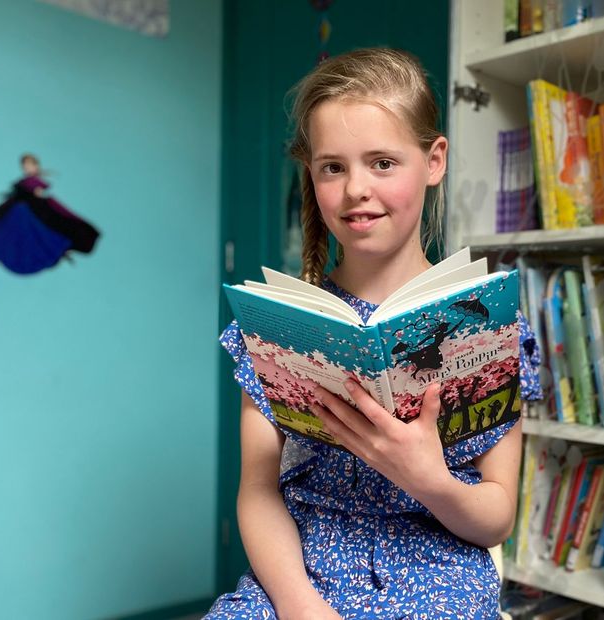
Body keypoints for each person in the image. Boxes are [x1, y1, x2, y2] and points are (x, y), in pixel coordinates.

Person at [207, 48, 541, 620]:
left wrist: (428, 479)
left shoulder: (488, 322)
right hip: (302, 575)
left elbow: (497, 515)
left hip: (441, 580)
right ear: (311, 174)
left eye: (383, 162)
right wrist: (299, 606)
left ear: (433, 160)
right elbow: (259, 491)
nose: (356, 188)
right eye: (332, 167)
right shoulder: (280, 326)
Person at [0, 154, 100, 281]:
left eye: (29, 165)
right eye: (24, 166)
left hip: (28, 213)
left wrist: (39, 198)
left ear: (36, 166)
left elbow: (37, 194)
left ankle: (61, 249)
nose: (27, 168)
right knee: (4, 236)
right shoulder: (23, 183)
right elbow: (13, 195)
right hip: (17, 212)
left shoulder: (34, 182)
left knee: (27, 234)